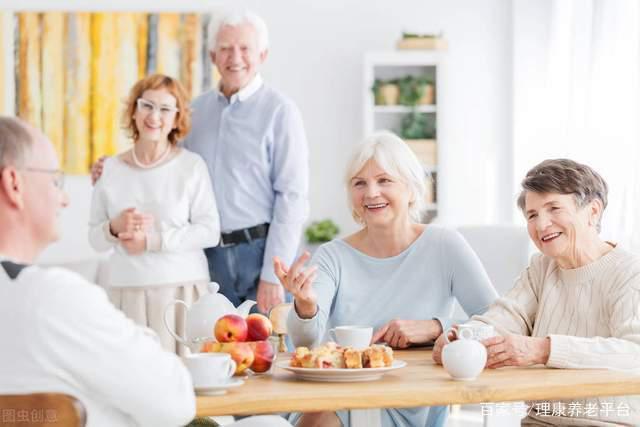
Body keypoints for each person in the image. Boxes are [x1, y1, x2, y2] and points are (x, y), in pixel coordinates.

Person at [0, 116, 293, 427]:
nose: (65, 197)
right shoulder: (54, 298)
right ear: (14, 184)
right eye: (54, 180)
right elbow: (175, 402)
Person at [273, 131, 499, 427]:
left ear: (411, 188)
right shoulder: (332, 255)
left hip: (411, 399)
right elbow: (304, 341)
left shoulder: (445, 245)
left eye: (384, 180)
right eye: (359, 183)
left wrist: (436, 327)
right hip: (340, 392)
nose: (371, 193)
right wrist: (305, 307)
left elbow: (497, 322)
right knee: (314, 417)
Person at [92, 8, 309, 315]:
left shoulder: (280, 112)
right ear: (212, 56)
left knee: (266, 355)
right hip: (207, 255)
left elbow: (293, 196)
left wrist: (274, 273)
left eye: (245, 48)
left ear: (263, 54)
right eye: (225, 48)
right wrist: (110, 168)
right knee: (216, 352)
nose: (235, 57)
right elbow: (160, 160)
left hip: (260, 251)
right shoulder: (195, 111)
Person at [433, 158, 640, 426]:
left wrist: (545, 349)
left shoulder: (630, 273)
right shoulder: (542, 267)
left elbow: (634, 353)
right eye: (532, 215)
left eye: (554, 208)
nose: (541, 225)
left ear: (593, 211)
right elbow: (503, 318)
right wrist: (463, 337)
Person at [88, 74, 220, 355]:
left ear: (176, 119)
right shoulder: (109, 169)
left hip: (181, 294)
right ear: (134, 111)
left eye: (165, 109)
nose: (154, 116)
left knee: (188, 387)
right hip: (126, 295)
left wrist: (152, 241)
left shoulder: (191, 166)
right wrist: (114, 227)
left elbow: (209, 230)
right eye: (147, 105)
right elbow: (94, 238)